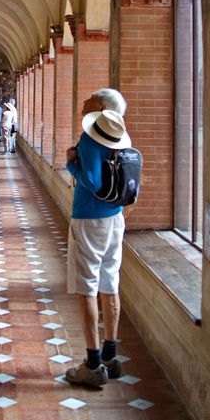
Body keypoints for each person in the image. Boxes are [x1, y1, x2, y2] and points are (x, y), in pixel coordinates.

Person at [64, 87, 129, 387]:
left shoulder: (91, 137)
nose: (83, 102)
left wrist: (70, 162)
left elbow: (91, 180)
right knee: (110, 282)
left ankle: (91, 364)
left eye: (90, 98)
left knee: (87, 287)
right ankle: (110, 356)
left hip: (89, 219)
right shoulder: (118, 137)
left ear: (101, 107)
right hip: (115, 218)